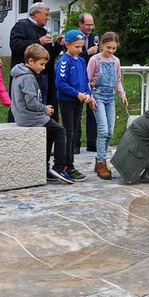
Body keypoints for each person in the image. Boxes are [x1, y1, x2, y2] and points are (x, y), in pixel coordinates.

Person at [10, 43, 74, 184]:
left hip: (23, 115)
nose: (43, 67)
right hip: (29, 117)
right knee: (60, 131)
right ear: (31, 61)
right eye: (42, 64)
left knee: (50, 132)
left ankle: (44, 169)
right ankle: (59, 166)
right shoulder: (27, 77)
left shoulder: (19, 74)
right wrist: (44, 109)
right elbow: (31, 103)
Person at [7, 2, 63, 123]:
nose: (48, 18)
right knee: (32, 107)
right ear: (36, 13)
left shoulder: (43, 30)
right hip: (28, 77)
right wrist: (38, 41)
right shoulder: (21, 26)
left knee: (45, 106)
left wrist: (58, 46)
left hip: (45, 76)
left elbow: (48, 57)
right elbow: (15, 46)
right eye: (46, 14)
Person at [55, 29, 95, 182]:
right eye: (76, 47)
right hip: (67, 101)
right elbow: (60, 83)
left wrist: (87, 94)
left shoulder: (81, 60)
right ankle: (66, 165)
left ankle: (69, 164)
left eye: (81, 47)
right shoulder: (64, 61)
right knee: (69, 133)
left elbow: (85, 80)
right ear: (67, 45)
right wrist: (76, 94)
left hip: (80, 100)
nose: (79, 50)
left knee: (75, 132)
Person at [87, 32, 127, 180]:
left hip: (111, 97)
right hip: (98, 96)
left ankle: (99, 160)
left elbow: (118, 81)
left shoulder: (116, 61)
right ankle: (102, 162)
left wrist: (122, 95)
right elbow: (88, 80)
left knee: (110, 131)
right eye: (108, 47)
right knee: (103, 130)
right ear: (102, 45)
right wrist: (90, 96)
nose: (110, 51)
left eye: (114, 48)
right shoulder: (94, 60)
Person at [76, 12, 98, 153]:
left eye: (92, 25)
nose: (90, 28)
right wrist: (87, 53)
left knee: (93, 111)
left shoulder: (96, 38)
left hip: (92, 80)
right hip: (77, 77)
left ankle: (92, 143)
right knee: (76, 112)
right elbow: (73, 55)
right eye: (87, 25)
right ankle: (75, 144)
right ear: (80, 24)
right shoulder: (73, 37)